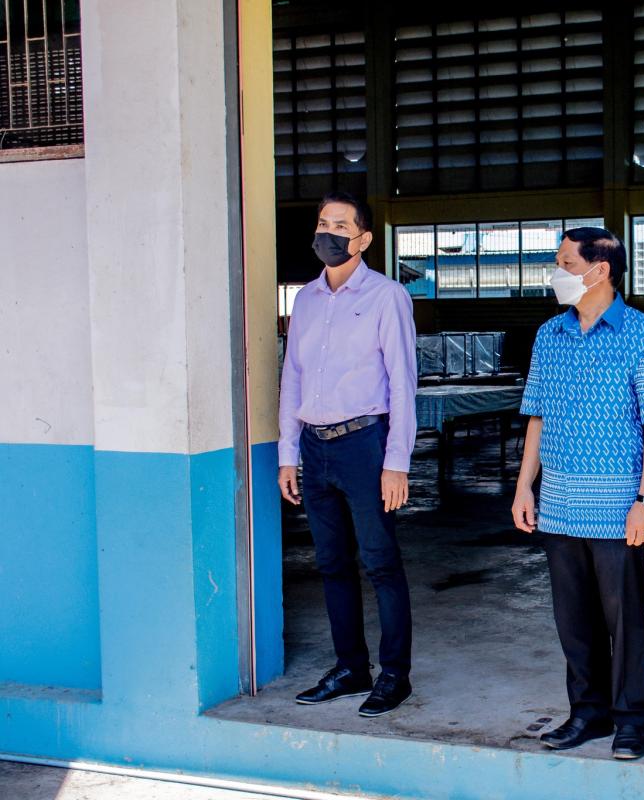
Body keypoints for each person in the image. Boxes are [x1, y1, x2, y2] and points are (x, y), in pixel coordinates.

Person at [511, 227, 644, 760]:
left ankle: (632, 718)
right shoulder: (549, 335)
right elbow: (536, 416)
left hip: (617, 507)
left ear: (599, 270)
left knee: (624, 620)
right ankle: (588, 712)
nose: (555, 273)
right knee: (574, 621)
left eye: (565, 263)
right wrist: (524, 486)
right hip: (559, 504)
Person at [277, 191, 418, 718]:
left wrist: (397, 461)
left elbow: (403, 381)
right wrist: (288, 453)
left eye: (340, 226)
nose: (328, 233)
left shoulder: (386, 297)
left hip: (365, 444)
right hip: (316, 447)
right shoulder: (306, 300)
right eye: (323, 223)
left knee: (380, 562)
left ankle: (394, 675)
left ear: (363, 239)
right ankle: (350, 668)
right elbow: (292, 377)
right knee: (332, 563)